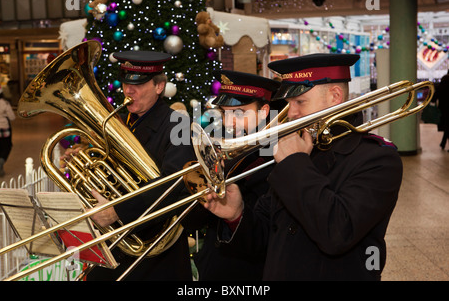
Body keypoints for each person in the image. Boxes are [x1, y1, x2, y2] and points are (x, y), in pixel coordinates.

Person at [203, 53, 403, 280]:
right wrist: (236, 214)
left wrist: (294, 164)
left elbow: (336, 234)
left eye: (300, 102)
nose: (292, 113)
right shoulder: (300, 150)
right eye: (289, 104)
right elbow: (265, 238)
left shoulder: (378, 158)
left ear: (335, 96)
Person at [82, 50, 197, 281]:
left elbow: (174, 183)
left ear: (159, 87)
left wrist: (117, 210)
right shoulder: (119, 122)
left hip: (156, 254)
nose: (128, 90)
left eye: (138, 83)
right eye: (125, 82)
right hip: (116, 245)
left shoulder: (178, 123)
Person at [190, 70, 282, 281]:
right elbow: (193, 221)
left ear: (264, 111)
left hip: (252, 273)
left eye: (239, 113)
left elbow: (267, 233)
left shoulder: (277, 155)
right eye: (225, 113)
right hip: (214, 267)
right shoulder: (220, 145)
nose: (229, 122)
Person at [0, 87, 15, 177]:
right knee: (6, 146)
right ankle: (1, 162)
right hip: (4, 128)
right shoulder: (5, 103)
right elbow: (12, 117)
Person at [435, 70, 449, 150]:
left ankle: (443, 143)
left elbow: (438, 92)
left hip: (444, 108)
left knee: (446, 125)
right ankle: (443, 143)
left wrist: (432, 100)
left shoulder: (444, 80)